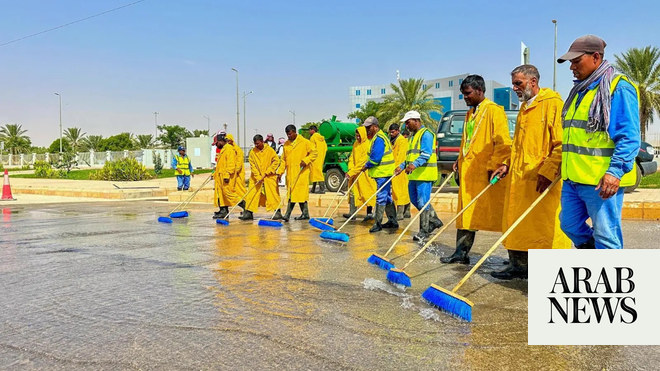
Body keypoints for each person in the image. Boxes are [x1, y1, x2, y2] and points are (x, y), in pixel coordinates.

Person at [488, 65, 571, 280]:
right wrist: (506, 164)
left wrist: (549, 170)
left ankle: (550, 272)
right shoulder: (525, 108)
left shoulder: (552, 105)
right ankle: (519, 266)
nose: (514, 88)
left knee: (542, 228)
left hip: (541, 180)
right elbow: (519, 145)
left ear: (533, 82)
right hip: (519, 179)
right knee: (518, 224)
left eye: (519, 83)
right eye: (513, 83)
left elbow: (562, 144)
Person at [557, 35, 640, 249]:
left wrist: (615, 172)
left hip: (600, 181)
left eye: (576, 61)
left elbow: (629, 137)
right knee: (569, 225)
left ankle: (606, 274)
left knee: (606, 236)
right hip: (573, 179)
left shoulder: (617, 87)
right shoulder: (580, 90)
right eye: (570, 62)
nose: (572, 67)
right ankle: (595, 262)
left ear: (595, 57)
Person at [442, 75, 512, 263]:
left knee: (502, 215)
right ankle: (460, 253)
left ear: (480, 91)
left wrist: (496, 165)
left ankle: (517, 260)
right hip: (469, 173)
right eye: (463, 94)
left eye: (468, 93)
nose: (465, 97)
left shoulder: (494, 111)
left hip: (486, 174)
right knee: (466, 214)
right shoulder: (470, 113)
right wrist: (459, 159)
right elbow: (467, 142)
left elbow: (503, 142)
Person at [394, 110, 443, 242]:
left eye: (408, 123)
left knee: (422, 202)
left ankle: (424, 230)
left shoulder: (426, 134)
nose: (406, 126)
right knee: (415, 201)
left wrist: (414, 165)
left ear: (416, 121)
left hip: (424, 174)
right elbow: (410, 157)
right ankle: (435, 220)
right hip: (414, 175)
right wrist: (402, 166)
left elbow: (426, 154)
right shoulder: (412, 137)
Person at [360, 117, 398, 232]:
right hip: (383, 172)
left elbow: (376, 158)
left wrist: (366, 165)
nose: (367, 129)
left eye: (368, 127)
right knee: (386, 197)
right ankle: (392, 220)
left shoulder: (379, 139)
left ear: (375, 126)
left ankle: (378, 223)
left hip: (383, 172)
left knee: (381, 197)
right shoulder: (378, 137)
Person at [277, 124, 318, 221]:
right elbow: (283, 160)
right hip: (291, 173)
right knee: (294, 194)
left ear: (295, 132)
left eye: (290, 134)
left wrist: (306, 160)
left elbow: (315, 153)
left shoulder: (304, 142)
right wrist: (280, 172)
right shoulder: (286, 144)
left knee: (298, 194)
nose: (289, 136)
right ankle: (305, 214)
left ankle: (287, 215)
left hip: (301, 173)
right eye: (287, 135)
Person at [242, 134, 283, 220]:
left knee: (273, 194)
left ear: (262, 142)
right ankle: (249, 212)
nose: (256, 145)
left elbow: (276, 161)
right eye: (255, 144)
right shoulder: (252, 152)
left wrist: (268, 171)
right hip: (256, 177)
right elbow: (252, 165)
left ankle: (277, 212)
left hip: (269, 176)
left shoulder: (270, 150)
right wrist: (258, 176)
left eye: (258, 143)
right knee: (252, 193)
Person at [343, 126, 377, 221]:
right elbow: (351, 158)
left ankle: (369, 213)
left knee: (367, 193)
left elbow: (363, 162)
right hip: (354, 173)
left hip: (364, 173)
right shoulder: (355, 144)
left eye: (359, 136)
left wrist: (353, 171)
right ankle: (352, 213)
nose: (357, 138)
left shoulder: (367, 145)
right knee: (353, 192)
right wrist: (350, 169)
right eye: (356, 136)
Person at [389, 123, 411, 220]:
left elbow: (401, 156)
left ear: (398, 130)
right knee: (398, 191)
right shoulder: (393, 140)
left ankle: (400, 213)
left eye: (393, 132)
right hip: (394, 168)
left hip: (400, 169)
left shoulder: (402, 141)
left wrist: (398, 167)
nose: (391, 134)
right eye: (390, 132)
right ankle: (406, 211)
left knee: (401, 191)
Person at [213, 136, 236, 219]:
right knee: (221, 195)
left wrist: (227, 175)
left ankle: (246, 209)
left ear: (221, 141)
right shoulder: (223, 149)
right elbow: (221, 165)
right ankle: (223, 211)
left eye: (217, 143)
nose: (216, 145)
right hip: (220, 176)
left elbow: (231, 164)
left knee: (230, 195)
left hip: (226, 177)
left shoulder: (229, 149)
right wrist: (214, 174)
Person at [226, 134, 247, 213]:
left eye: (228, 140)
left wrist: (235, 171)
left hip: (238, 175)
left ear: (231, 140)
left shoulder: (237, 150)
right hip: (233, 175)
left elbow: (239, 162)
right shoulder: (229, 149)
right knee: (234, 192)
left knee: (241, 191)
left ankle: (246, 209)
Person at [309, 125, 328, 194]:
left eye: (309, 130)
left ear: (312, 130)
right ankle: (313, 189)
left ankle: (322, 189)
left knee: (316, 173)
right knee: (316, 173)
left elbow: (311, 148)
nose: (309, 132)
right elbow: (325, 148)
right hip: (320, 158)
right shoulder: (321, 138)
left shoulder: (313, 137)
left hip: (315, 158)